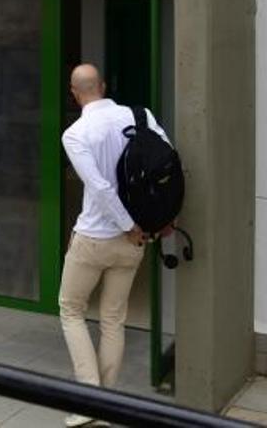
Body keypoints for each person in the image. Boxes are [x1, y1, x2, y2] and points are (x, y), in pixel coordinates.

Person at [58, 63, 170, 427]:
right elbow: (168, 167)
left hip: (94, 237)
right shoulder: (140, 116)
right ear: (103, 86)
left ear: (75, 94)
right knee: (113, 320)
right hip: (133, 242)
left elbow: (100, 188)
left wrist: (127, 225)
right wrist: (153, 222)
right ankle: (106, 404)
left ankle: (90, 400)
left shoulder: (75, 134)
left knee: (71, 310)